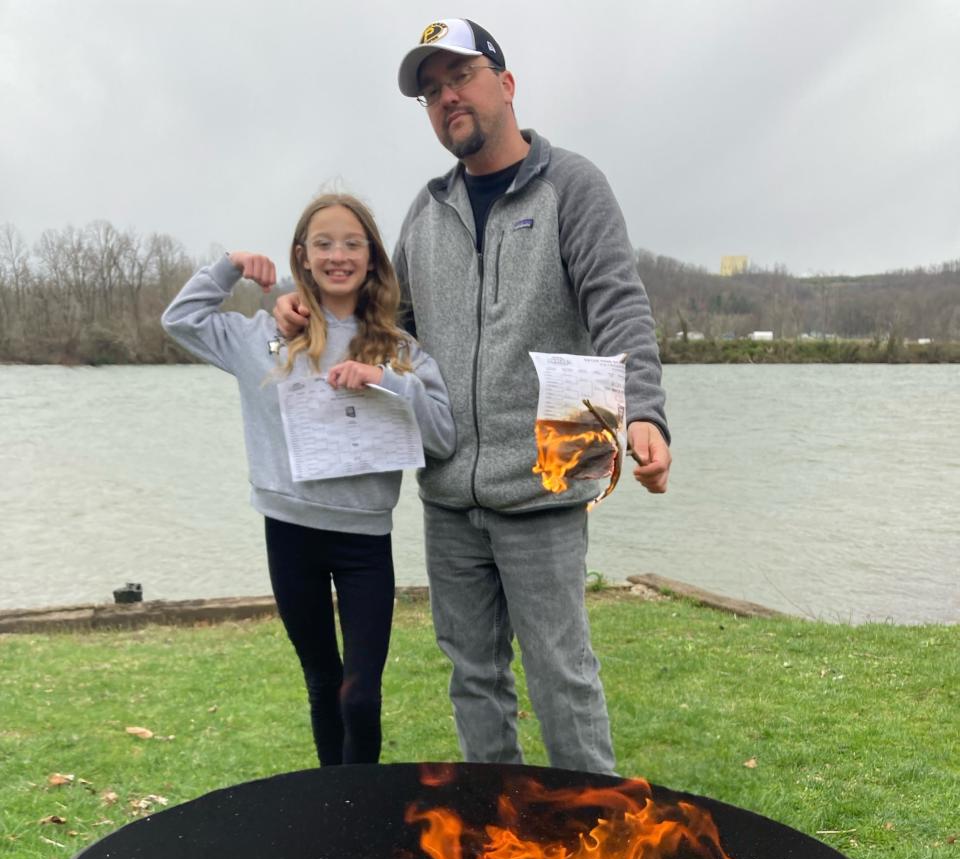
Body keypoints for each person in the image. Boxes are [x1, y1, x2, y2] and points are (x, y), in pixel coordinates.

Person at [274, 20, 671, 776]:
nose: (446, 96)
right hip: (450, 496)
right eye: (430, 91)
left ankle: (590, 831)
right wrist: (302, 311)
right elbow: (387, 326)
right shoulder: (427, 212)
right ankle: (499, 832)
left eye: (459, 76)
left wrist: (645, 410)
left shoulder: (571, 187)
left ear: (506, 83)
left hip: (549, 485)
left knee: (562, 678)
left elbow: (618, 305)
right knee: (474, 680)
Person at [162, 192, 456, 766]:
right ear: (303, 255)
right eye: (323, 243)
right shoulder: (265, 337)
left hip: (365, 542)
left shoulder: (400, 351)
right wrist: (231, 266)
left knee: (360, 695)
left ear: (372, 258)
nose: (338, 255)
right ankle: (332, 809)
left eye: (352, 243)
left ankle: (361, 806)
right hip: (290, 533)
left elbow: (443, 438)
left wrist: (387, 381)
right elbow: (181, 320)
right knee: (323, 681)